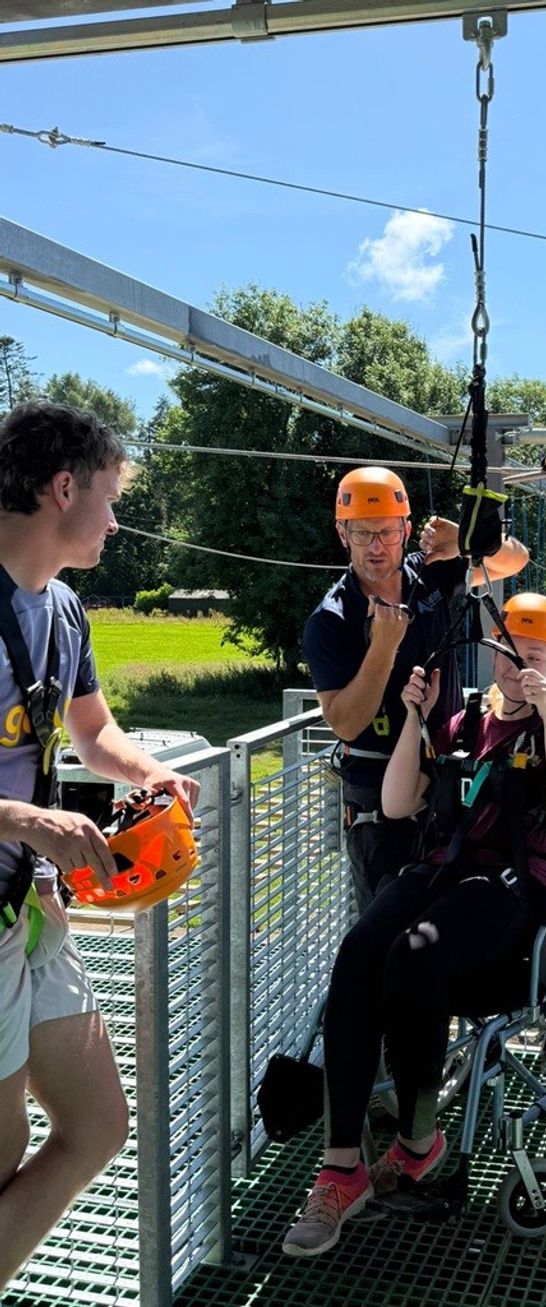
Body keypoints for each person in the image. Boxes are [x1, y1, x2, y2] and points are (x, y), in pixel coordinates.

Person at [282, 593, 546, 1257]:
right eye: (508, 655)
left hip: (516, 888)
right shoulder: (463, 724)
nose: (517, 670)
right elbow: (399, 802)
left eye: (533, 657)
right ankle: (341, 1168)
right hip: (443, 872)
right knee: (359, 950)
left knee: (413, 953)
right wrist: (413, 719)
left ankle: (417, 1141)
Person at [0, 401, 201, 1291]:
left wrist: (151, 773)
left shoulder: (66, 610)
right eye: (111, 496)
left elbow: (93, 731)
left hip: (31, 903)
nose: (116, 520)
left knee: (98, 1125)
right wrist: (28, 820)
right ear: (63, 486)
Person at [302, 466, 528, 912]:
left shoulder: (432, 571)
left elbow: (515, 559)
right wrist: (383, 648)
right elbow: (345, 724)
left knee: (449, 912)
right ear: (342, 534)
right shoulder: (332, 619)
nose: (376, 547)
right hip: (381, 796)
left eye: (387, 532)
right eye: (362, 533)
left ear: (406, 530)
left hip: (447, 773)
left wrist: (464, 538)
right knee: (388, 916)